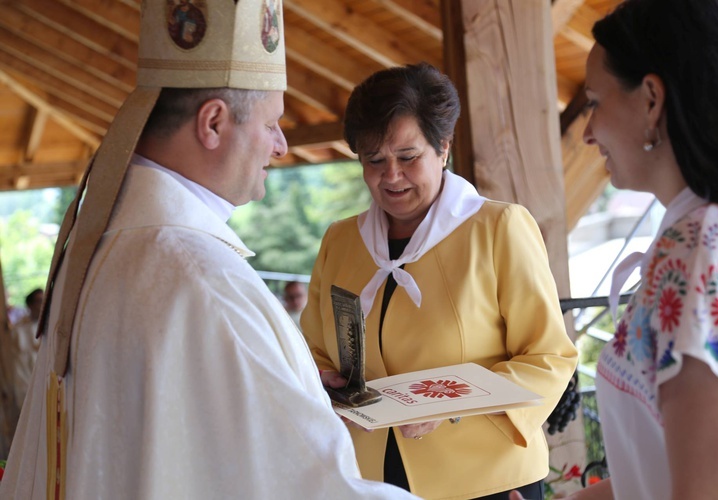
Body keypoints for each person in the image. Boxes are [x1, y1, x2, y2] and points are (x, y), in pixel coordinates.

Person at [0, 2, 418, 499]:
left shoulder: (101, 244)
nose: (282, 144)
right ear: (214, 123)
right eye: (270, 124)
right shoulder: (201, 279)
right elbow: (314, 489)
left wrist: (289, 388)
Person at [301, 62, 579, 500]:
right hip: (370, 476)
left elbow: (549, 357)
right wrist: (321, 378)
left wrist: (452, 405)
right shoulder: (340, 241)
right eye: (374, 161)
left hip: (485, 476)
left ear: (443, 148)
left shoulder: (498, 227)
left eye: (407, 157)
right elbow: (313, 347)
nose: (390, 175)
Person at [512, 1, 718, 499]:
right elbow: (667, 470)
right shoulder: (707, 235)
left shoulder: (701, 253)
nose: (588, 130)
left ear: (651, 99)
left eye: (595, 101)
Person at [8, 288, 43, 406]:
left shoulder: (50, 327)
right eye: (39, 301)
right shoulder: (18, 331)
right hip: (28, 382)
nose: (42, 305)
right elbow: (19, 364)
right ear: (30, 305)